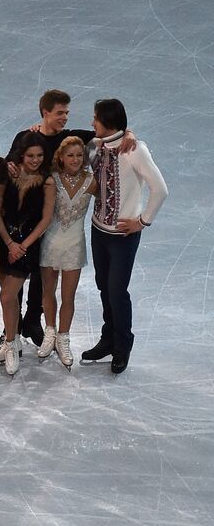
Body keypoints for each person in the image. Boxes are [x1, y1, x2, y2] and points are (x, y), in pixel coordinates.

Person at [0, 89, 135, 347]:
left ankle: (32, 320)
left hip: (52, 221)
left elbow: (106, 132)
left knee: (41, 278)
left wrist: (128, 133)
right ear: (45, 113)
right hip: (25, 219)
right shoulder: (25, 137)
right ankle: (12, 327)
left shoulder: (70, 138)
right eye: (60, 113)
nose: (65, 117)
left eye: (67, 113)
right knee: (17, 275)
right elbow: (11, 166)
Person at [81, 98, 167, 374]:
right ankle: (108, 338)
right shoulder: (95, 146)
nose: (91, 122)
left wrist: (143, 221)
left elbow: (160, 189)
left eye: (95, 118)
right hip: (98, 230)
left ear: (109, 122)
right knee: (103, 286)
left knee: (117, 290)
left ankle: (122, 344)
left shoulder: (135, 150)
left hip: (122, 236)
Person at [0, 132, 55, 375]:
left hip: (27, 247)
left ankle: (9, 344)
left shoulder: (47, 181)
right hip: (3, 241)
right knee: (11, 298)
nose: (36, 160)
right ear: (21, 155)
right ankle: (13, 340)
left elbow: (46, 219)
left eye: (39, 155)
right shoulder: (9, 174)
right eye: (31, 156)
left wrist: (22, 246)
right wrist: (9, 243)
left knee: (7, 297)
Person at [38, 136, 94, 367]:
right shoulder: (52, 179)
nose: (75, 159)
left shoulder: (92, 181)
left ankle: (63, 337)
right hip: (50, 242)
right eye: (70, 155)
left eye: (79, 155)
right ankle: (49, 332)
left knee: (68, 297)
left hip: (74, 245)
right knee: (48, 292)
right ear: (61, 157)